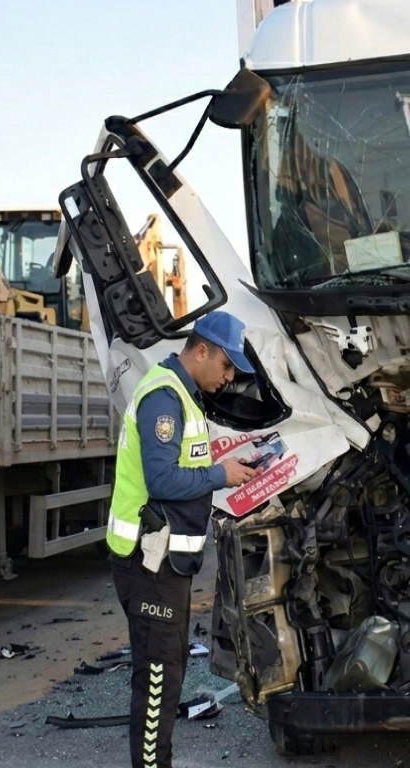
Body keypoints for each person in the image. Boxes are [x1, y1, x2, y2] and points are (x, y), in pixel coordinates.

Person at [106, 310, 258, 768]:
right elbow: (162, 480)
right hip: (148, 563)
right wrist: (220, 475)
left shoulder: (182, 397)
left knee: (165, 672)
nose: (228, 378)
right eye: (226, 366)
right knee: (158, 681)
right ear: (201, 350)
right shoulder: (164, 398)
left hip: (164, 563)